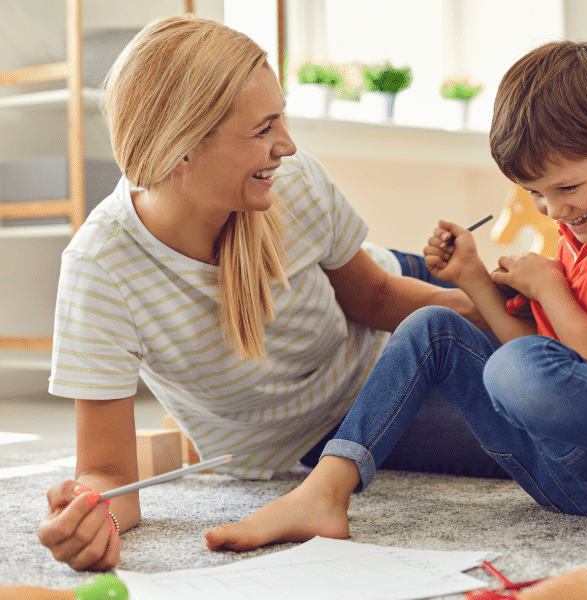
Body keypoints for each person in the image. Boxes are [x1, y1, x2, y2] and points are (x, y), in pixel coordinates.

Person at [204, 40, 587, 552]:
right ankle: (325, 492)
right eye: (536, 194)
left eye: (565, 189)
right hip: (554, 471)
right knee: (432, 326)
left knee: (519, 367)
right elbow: (534, 348)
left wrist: (548, 285)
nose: (552, 212)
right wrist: (473, 279)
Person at [36, 15, 484, 572]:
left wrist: (488, 305)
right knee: (552, 431)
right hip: (335, 423)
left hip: (402, 302)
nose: (288, 145)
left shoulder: (291, 183)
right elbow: (109, 476)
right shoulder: (101, 269)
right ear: (182, 146)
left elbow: (375, 295)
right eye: (264, 128)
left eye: (282, 119)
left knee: (575, 313)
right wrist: (94, 515)